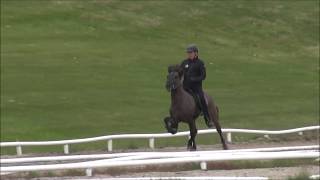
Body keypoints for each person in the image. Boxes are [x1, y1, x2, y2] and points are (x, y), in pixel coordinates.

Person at [180, 44, 214, 128]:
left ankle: (208, 119)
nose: (189, 54)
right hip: (185, 87)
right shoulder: (184, 63)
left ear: (196, 53)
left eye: (191, 53)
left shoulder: (200, 63)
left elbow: (203, 76)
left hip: (196, 88)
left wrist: (194, 79)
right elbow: (180, 73)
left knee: (202, 99)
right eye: (188, 53)